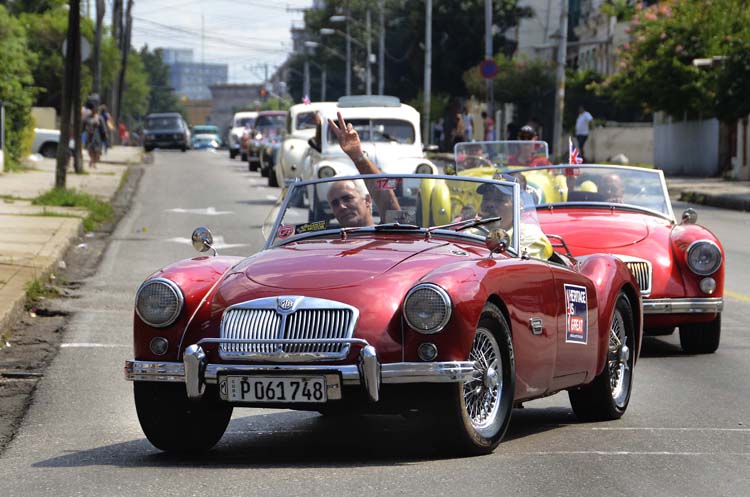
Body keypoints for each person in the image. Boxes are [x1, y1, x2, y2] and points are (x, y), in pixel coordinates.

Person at [327, 111, 400, 219]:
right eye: (335, 204)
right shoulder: (329, 235)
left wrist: (357, 155)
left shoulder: (390, 230)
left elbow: (391, 207)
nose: (342, 206)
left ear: (367, 200)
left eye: (348, 198)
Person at [476, 181, 553, 260]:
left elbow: (520, 268)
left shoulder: (529, 236)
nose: (489, 204)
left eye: (499, 200)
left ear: (517, 207)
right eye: (486, 199)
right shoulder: (473, 234)